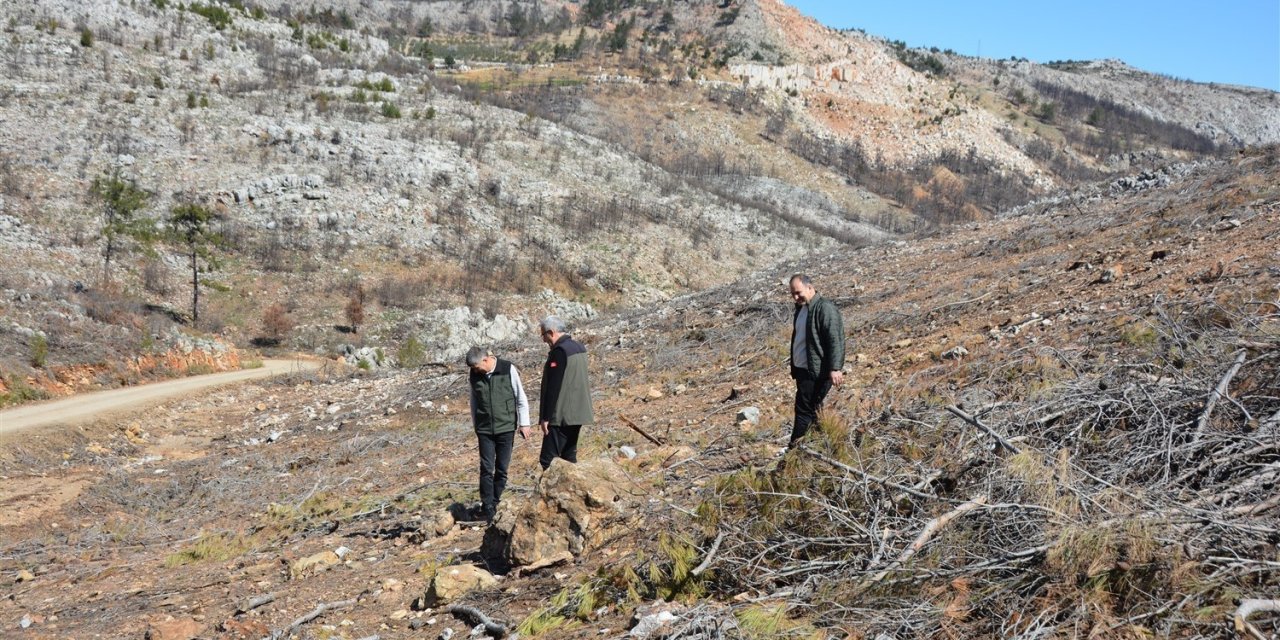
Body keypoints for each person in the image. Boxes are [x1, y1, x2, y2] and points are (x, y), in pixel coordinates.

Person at [466, 346, 531, 521]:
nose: (475, 371)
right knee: (486, 469)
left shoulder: (507, 369)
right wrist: (476, 425)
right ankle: (487, 507)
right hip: (484, 430)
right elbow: (473, 401)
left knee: (502, 469)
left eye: (477, 367)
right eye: (473, 369)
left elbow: (520, 397)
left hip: (506, 427)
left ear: (486, 360)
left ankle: (495, 500)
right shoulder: (474, 375)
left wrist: (524, 423)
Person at [787, 274, 845, 447]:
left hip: (816, 371)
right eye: (793, 294)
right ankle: (822, 445)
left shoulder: (824, 309)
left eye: (798, 292)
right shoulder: (802, 309)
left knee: (804, 411)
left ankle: (794, 451)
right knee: (813, 409)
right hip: (803, 370)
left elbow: (835, 339)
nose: (796, 297)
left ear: (810, 287)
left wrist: (835, 368)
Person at [536, 316, 594, 470]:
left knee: (547, 459)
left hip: (562, 416)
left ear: (551, 332)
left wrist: (546, 417)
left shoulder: (560, 351)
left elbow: (554, 386)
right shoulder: (579, 347)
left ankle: (548, 492)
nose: (544, 340)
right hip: (579, 412)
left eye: (544, 335)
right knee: (569, 456)